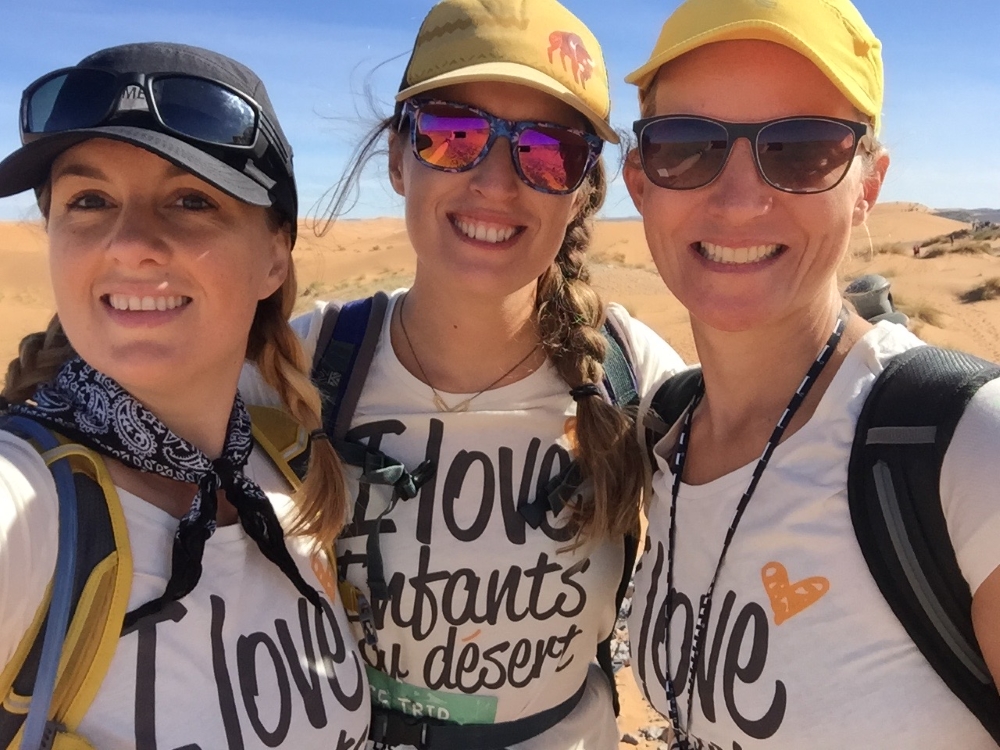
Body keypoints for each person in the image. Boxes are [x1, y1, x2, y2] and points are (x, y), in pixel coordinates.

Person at [240, 1, 684, 747]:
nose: (496, 183)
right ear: (396, 156)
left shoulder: (630, 374)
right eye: (454, 135)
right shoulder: (306, 365)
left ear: (580, 188)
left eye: (548, 152)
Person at [621, 0, 1000, 747]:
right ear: (640, 182)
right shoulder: (667, 433)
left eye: (800, 149)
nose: (737, 200)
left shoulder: (964, 445)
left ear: (868, 184)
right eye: (688, 146)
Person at [0, 43, 369, 748]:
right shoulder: (31, 508)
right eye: (89, 200)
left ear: (274, 256)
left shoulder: (282, 466)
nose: (131, 242)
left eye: (191, 200)